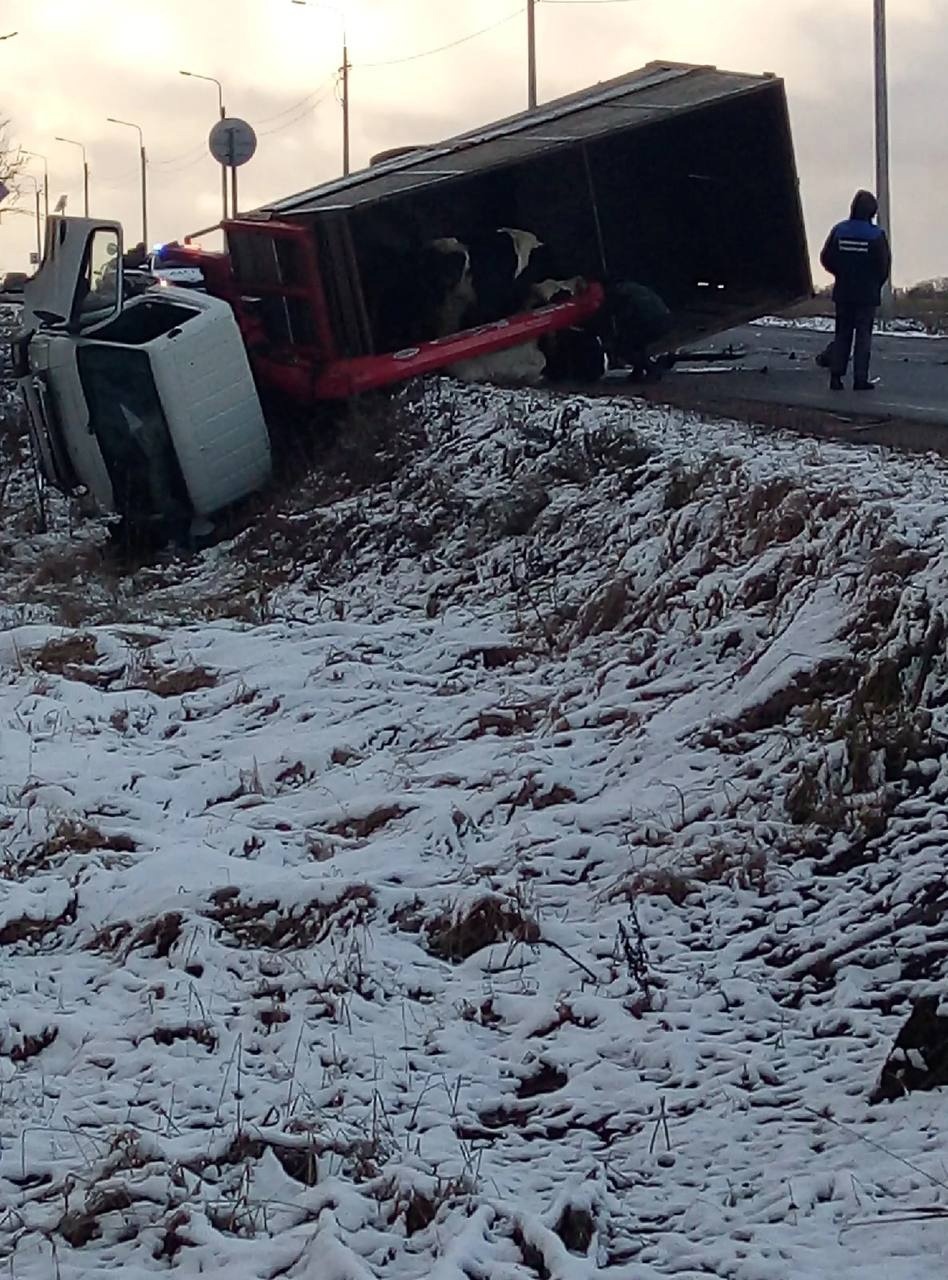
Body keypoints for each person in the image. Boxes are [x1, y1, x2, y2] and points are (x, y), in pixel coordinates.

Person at [819, 190, 892, 391]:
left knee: (842, 334)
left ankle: (836, 377)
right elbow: (883, 265)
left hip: (844, 291)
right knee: (863, 337)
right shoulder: (876, 235)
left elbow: (826, 258)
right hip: (867, 294)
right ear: (872, 212)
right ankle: (860, 379)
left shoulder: (839, 230)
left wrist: (840, 273)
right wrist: (875, 283)